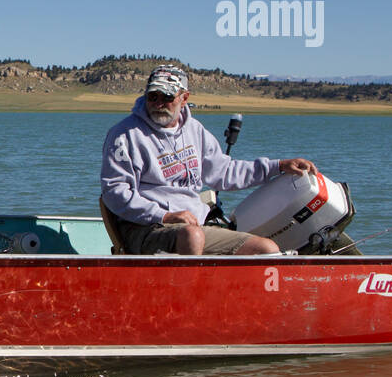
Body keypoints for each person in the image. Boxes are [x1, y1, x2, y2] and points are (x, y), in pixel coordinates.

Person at [100, 65, 317, 255]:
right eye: (153, 96)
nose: (158, 103)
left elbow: (224, 173)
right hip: (145, 228)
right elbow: (115, 193)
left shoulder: (195, 131)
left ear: (184, 98)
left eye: (167, 97)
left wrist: (278, 167)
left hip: (194, 225)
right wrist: (165, 216)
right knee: (192, 236)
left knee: (266, 249)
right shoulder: (124, 135)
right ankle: (185, 299)